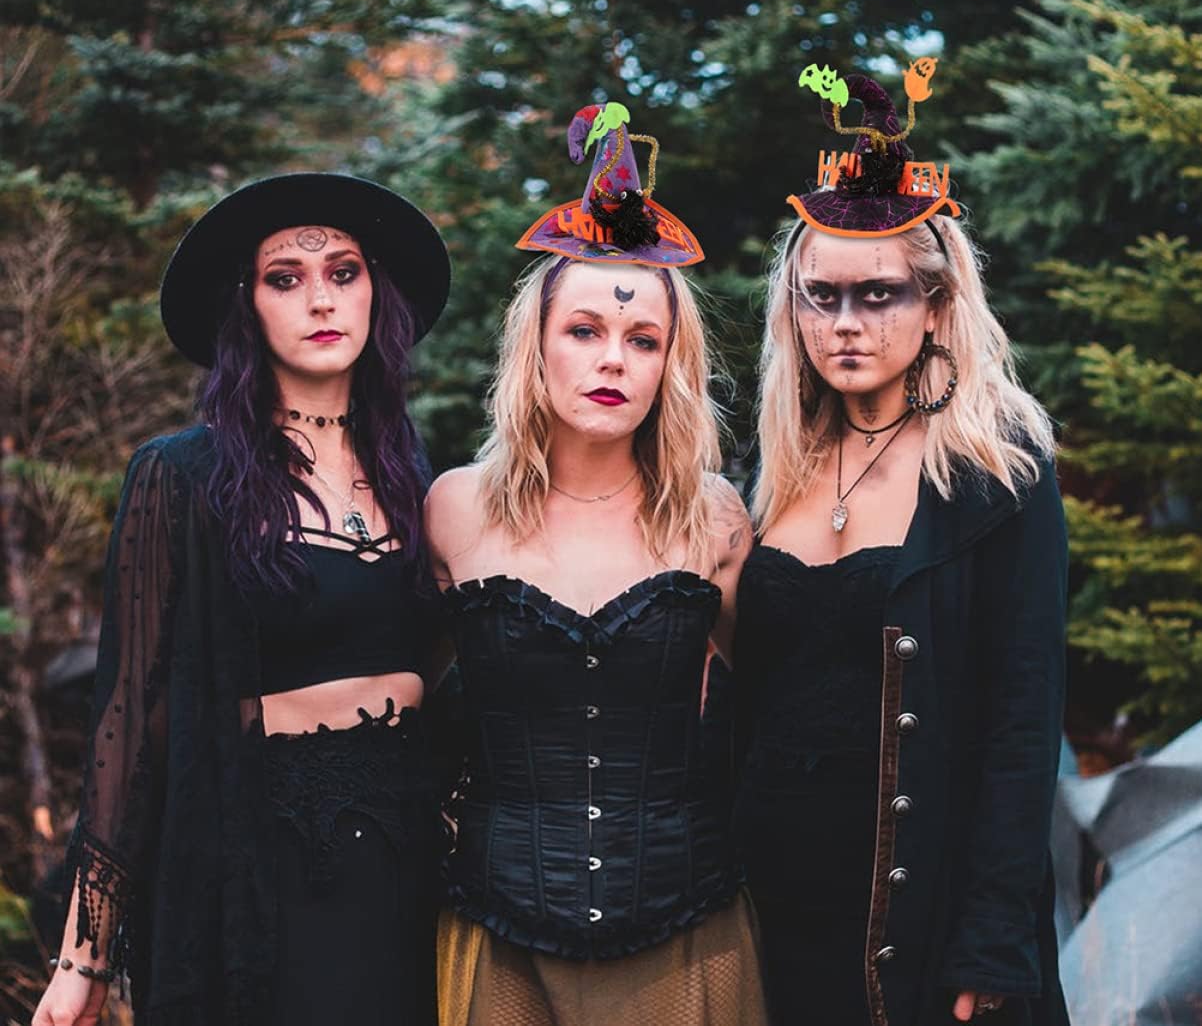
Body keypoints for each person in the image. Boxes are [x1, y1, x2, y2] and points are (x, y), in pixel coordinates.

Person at [32, 173, 451, 1026]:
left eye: (343, 272)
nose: (321, 299)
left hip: (415, 870)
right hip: (267, 866)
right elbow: (130, 719)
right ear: (246, 305)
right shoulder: (184, 475)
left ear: (376, 291)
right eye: (285, 279)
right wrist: (84, 955)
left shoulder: (419, 478)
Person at [733, 67, 1069, 1026]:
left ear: (935, 303)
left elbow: (1023, 719)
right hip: (770, 904)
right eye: (821, 297)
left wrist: (993, 934)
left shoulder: (996, 471)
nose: (845, 324)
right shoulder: (771, 467)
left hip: (917, 909)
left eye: (878, 294)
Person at [425, 105, 769, 1026]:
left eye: (642, 340)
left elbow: (768, 719)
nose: (613, 359)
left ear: (670, 366)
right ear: (535, 347)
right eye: (584, 330)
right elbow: (399, 708)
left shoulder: (716, 520)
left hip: (688, 939)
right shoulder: (454, 510)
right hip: (497, 941)